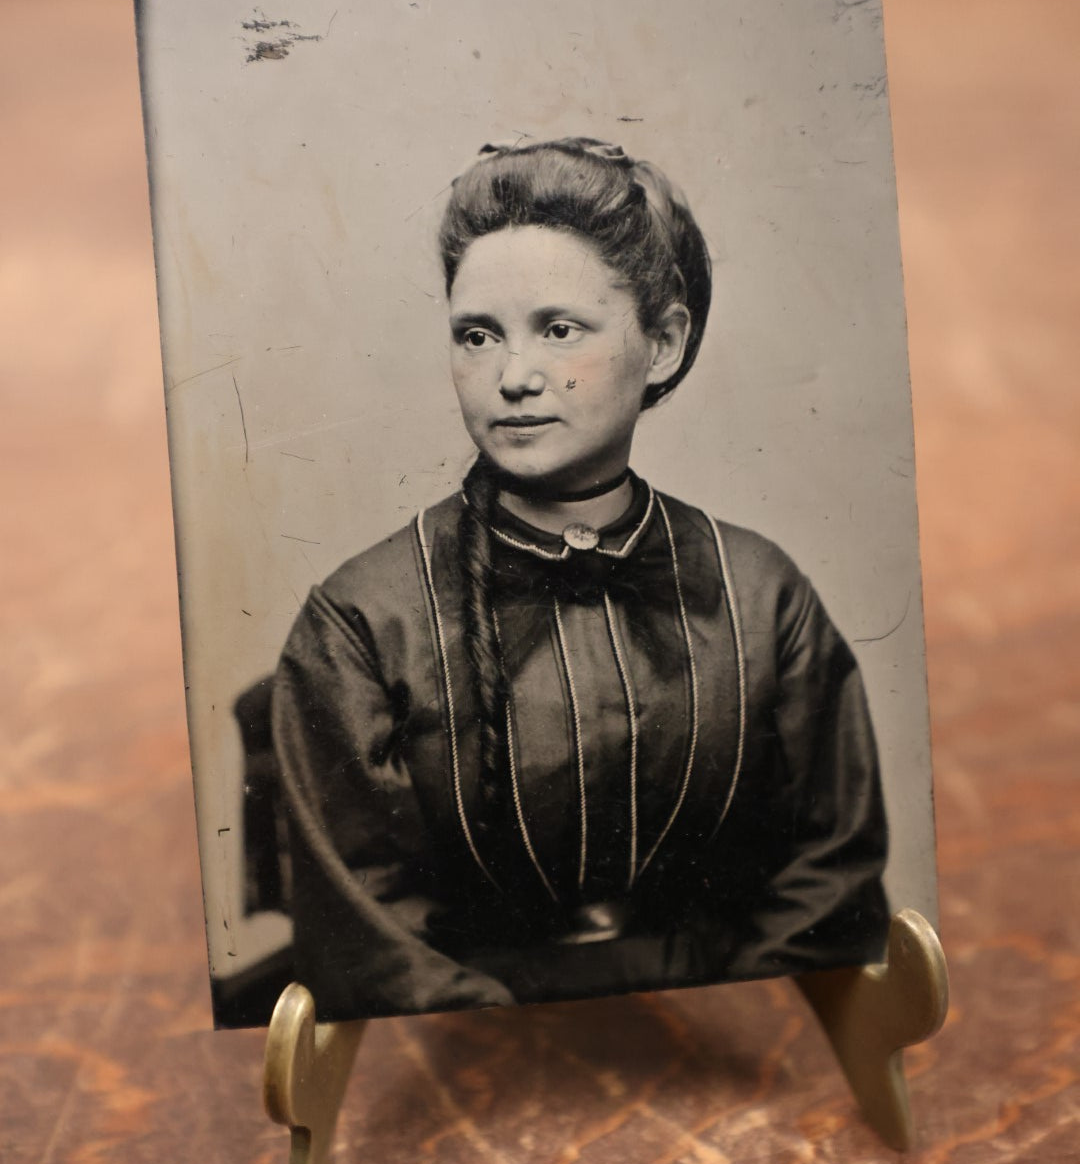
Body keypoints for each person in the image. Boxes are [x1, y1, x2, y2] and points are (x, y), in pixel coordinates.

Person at [271, 137, 889, 1022]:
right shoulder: (362, 620)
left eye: (559, 329)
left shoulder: (761, 592)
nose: (513, 377)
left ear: (663, 344)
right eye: (478, 336)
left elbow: (830, 875)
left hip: (717, 1031)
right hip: (471, 1049)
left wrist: (733, 1024)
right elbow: (369, 934)